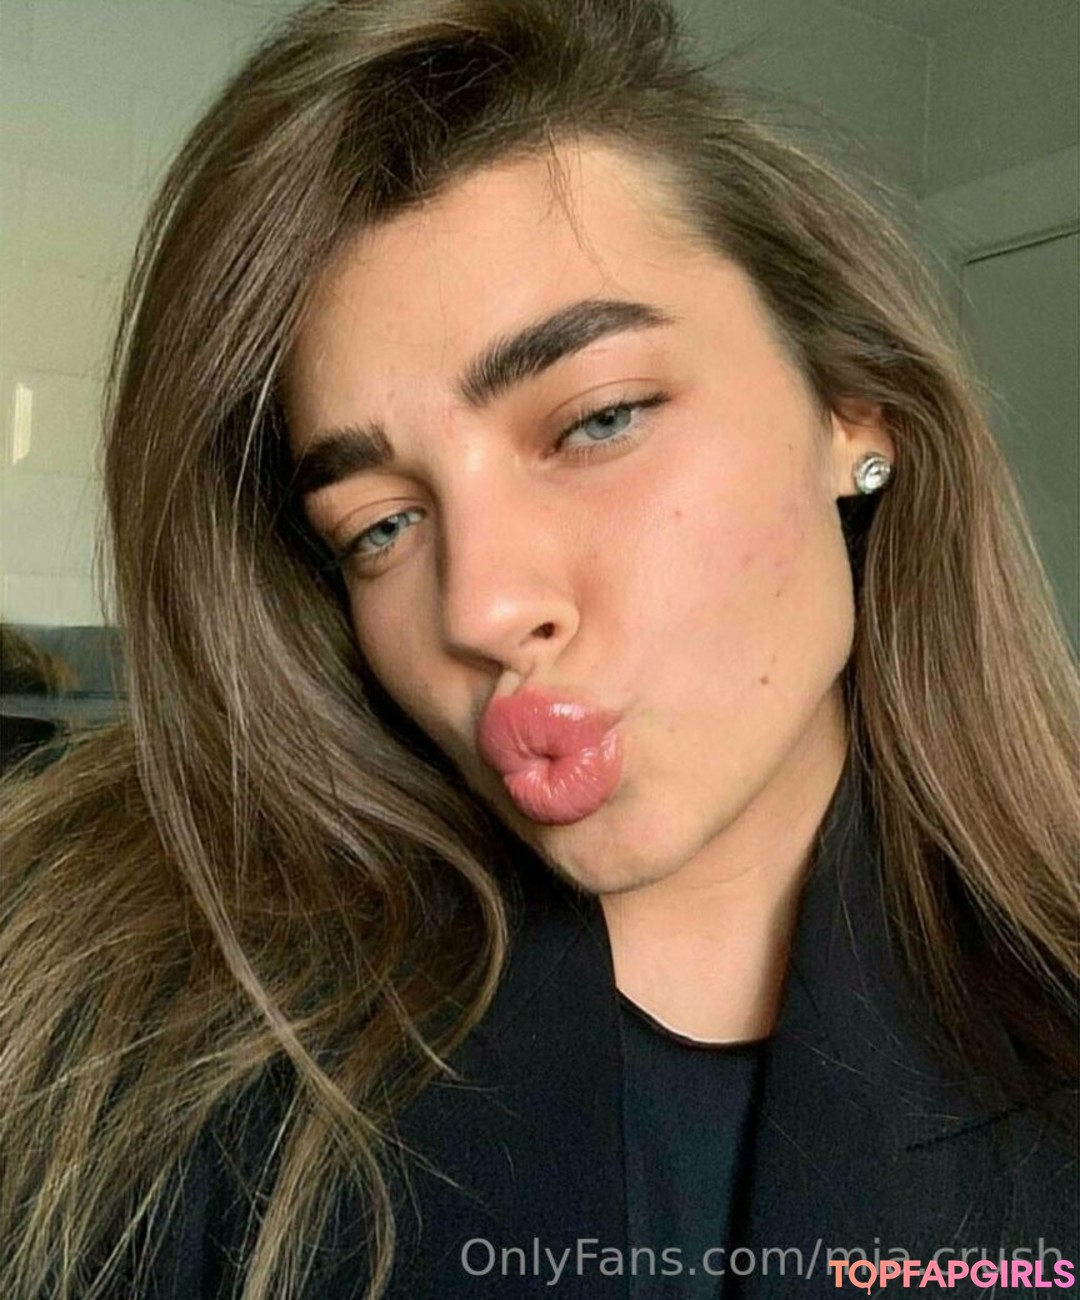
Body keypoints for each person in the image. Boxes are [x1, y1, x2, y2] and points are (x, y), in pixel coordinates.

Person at [1, 1, 1077, 1296]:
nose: (480, 607)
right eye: (379, 525)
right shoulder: (123, 1039)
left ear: (854, 413)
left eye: (599, 420)